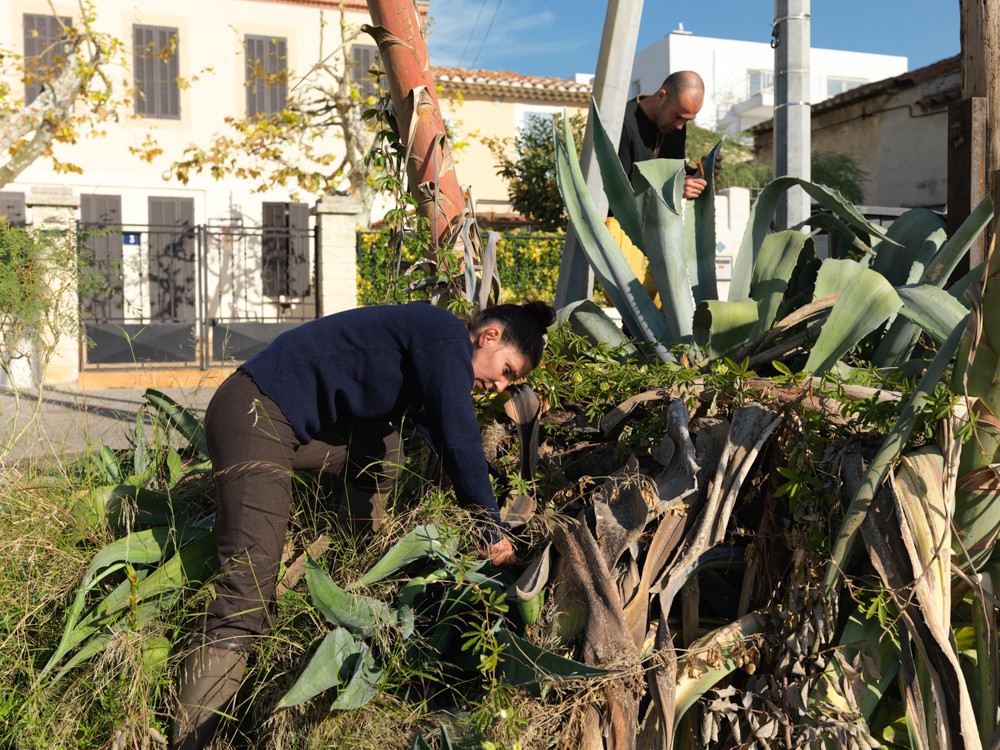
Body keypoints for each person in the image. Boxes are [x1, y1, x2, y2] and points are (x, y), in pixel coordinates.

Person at [171, 300, 556, 750]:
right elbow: (459, 438)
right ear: (488, 336)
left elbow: (443, 439)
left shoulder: (434, 348)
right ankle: (190, 738)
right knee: (246, 591)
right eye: (507, 370)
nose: (499, 385)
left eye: (511, 380)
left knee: (380, 454)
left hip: (283, 426)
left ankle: (350, 572)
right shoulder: (444, 337)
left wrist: (493, 504)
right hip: (255, 415)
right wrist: (490, 527)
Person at [613, 70, 721, 306]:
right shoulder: (623, 123)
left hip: (660, 233)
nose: (681, 126)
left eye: (687, 120)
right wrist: (673, 188)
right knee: (638, 305)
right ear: (662, 95)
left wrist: (701, 171)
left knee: (667, 307)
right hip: (622, 229)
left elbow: (674, 173)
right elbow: (617, 192)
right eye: (679, 117)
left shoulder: (674, 129)